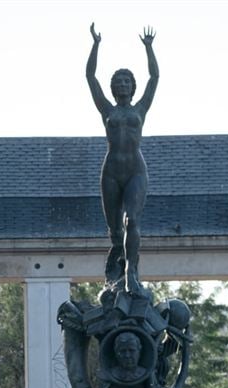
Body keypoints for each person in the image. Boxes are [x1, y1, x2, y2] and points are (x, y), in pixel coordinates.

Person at [87, 23, 159, 297]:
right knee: (115, 232)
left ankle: (132, 273)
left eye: (127, 81)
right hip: (111, 172)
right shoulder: (106, 109)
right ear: (113, 87)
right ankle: (116, 274)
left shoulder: (141, 108)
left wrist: (149, 49)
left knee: (132, 222)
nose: (123, 85)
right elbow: (90, 77)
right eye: (118, 82)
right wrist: (95, 45)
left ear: (132, 86)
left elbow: (154, 78)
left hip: (135, 170)